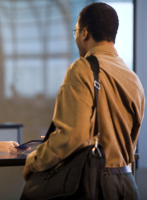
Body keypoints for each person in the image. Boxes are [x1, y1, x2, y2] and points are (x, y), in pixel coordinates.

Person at [23, 2, 144, 200]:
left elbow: (72, 136)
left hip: (95, 183)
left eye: (76, 32)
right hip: (128, 184)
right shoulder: (133, 78)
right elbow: (132, 142)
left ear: (85, 33)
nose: (76, 38)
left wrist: (34, 161)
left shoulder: (82, 69)